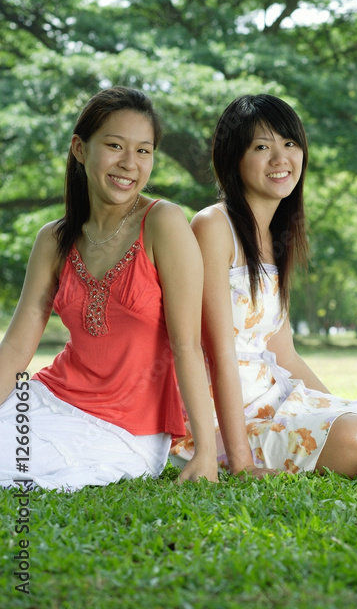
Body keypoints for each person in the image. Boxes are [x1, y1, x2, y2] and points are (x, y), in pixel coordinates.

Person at [0, 86, 218, 490]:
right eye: (115, 145)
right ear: (80, 149)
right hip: (51, 399)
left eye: (143, 151)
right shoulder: (54, 239)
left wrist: (205, 452)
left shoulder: (163, 222)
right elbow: (15, 347)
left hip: (126, 428)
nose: (129, 164)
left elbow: (187, 344)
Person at [170, 93, 357, 476]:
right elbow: (218, 354)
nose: (281, 159)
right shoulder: (214, 227)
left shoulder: (275, 236)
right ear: (233, 157)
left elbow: (285, 355)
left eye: (290, 143)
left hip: (272, 399)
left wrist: (340, 408)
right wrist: (242, 463)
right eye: (262, 147)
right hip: (220, 417)